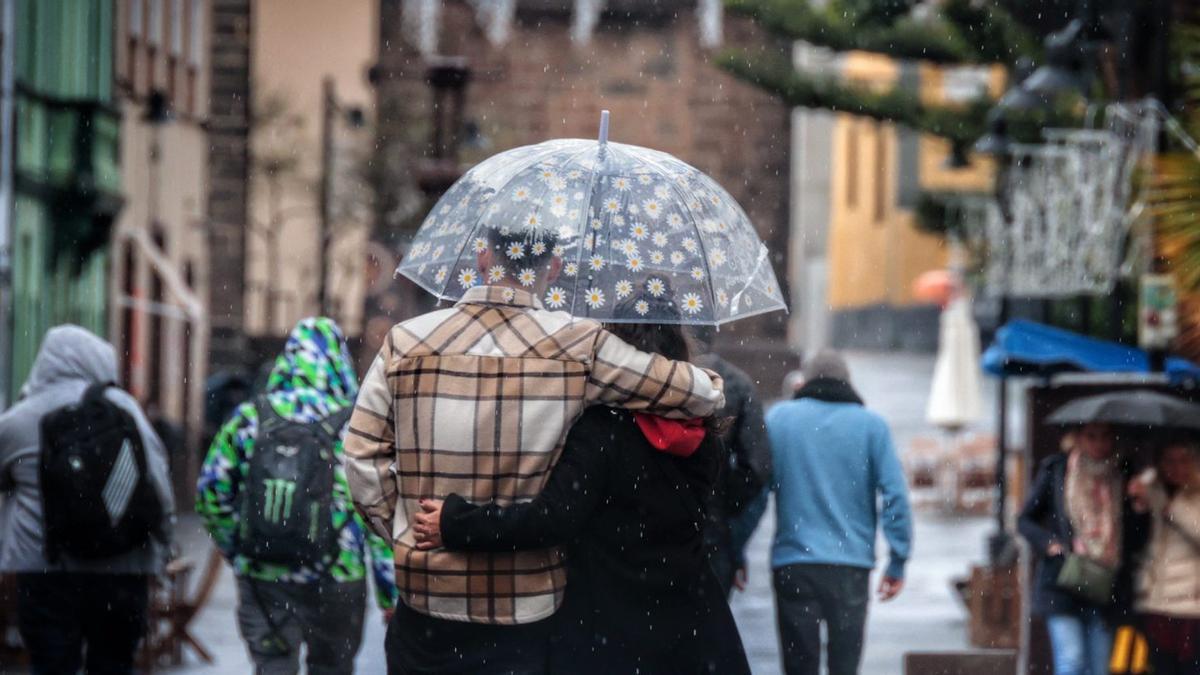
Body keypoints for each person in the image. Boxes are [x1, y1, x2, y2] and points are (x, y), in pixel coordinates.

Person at [343, 228, 725, 675]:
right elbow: (702, 395)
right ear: (554, 268)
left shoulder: (406, 342)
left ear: (483, 258)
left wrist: (405, 529)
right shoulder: (579, 345)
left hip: (427, 603)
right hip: (525, 609)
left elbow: (361, 457)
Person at [410, 296, 751, 674]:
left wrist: (457, 522)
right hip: (692, 629)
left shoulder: (603, 430)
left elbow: (550, 519)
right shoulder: (701, 432)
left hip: (611, 631)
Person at [197, 317, 397, 675]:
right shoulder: (356, 425)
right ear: (338, 360)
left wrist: (241, 550)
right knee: (331, 668)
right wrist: (389, 592)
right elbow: (376, 509)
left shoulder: (250, 418)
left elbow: (211, 493)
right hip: (337, 577)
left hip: (264, 576)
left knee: (273, 666)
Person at [0, 325, 176, 674]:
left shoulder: (19, 420)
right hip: (123, 567)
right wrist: (161, 555)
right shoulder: (126, 411)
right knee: (113, 664)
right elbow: (160, 490)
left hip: (44, 569)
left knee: (51, 666)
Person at [736, 349, 912, 675]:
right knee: (844, 667)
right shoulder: (872, 427)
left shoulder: (779, 420)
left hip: (794, 564)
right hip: (851, 567)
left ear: (804, 381)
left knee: (799, 666)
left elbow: (755, 492)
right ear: (848, 382)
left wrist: (737, 549)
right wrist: (897, 560)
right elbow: (895, 495)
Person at [1019, 423, 1147, 675]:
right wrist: (1049, 543)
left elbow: (1135, 536)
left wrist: (1139, 505)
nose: (1099, 444)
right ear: (1078, 439)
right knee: (1072, 661)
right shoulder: (1058, 469)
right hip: (1064, 578)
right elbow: (1025, 520)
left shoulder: (1123, 473)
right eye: (1091, 437)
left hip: (1105, 583)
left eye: (1105, 436)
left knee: (1100, 665)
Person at [690, 326, 771, 597]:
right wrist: (725, 503)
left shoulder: (652, 379)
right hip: (713, 533)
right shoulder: (736, 382)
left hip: (653, 534)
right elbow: (757, 465)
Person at [1128, 439, 1200, 674]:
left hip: (1191, 604)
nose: (1177, 468)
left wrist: (1174, 509)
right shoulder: (1151, 490)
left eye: (1183, 460)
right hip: (1156, 600)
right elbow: (1133, 541)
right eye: (1169, 461)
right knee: (1161, 667)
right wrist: (1138, 506)